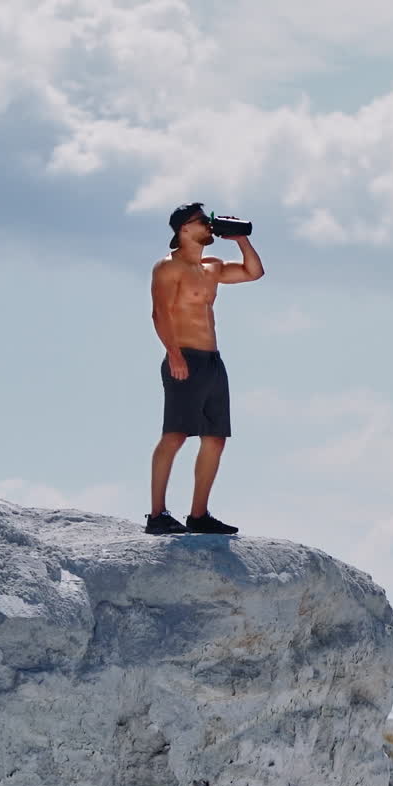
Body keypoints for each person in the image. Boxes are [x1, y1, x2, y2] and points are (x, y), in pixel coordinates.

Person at [145, 203, 265, 536]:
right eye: (202, 222)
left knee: (215, 439)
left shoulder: (211, 267)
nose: (209, 226)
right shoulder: (169, 268)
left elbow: (253, 272)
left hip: (212, 361)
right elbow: (160, 314)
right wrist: (174, 355)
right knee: (175, 435)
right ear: (184, 229)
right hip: (184, 357)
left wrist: (240, 238)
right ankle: (157, 515)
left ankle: (198, 515)